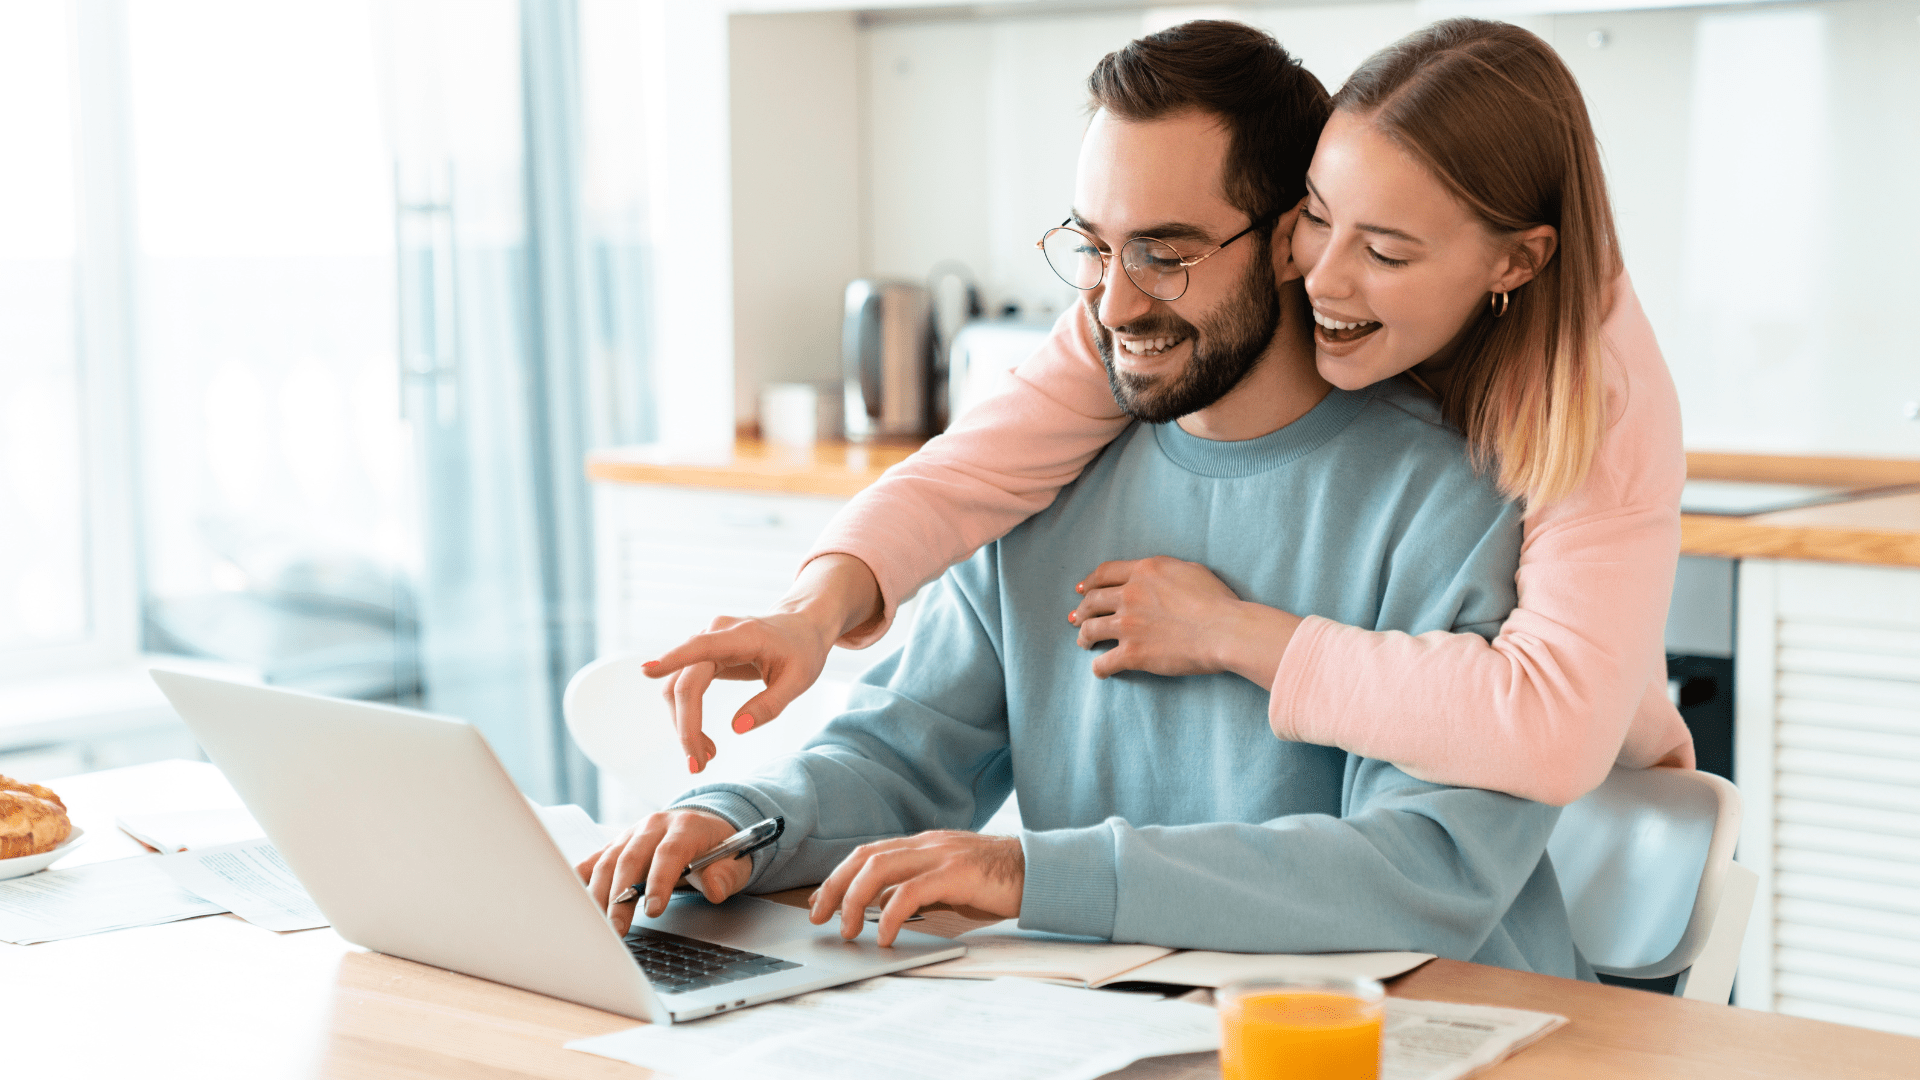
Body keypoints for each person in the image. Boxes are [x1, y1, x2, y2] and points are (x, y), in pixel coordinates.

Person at [580, 24, 1585, 980]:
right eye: (1093, 247)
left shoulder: (1458, 499)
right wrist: (739, 821)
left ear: (1291, 242)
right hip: (1130, 1020)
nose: (1113, 304)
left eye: (1166, 252)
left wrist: (1030, 874)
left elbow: (1418, 872)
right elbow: (902, 752)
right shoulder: (1051, 470)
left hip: (1434, 1028)